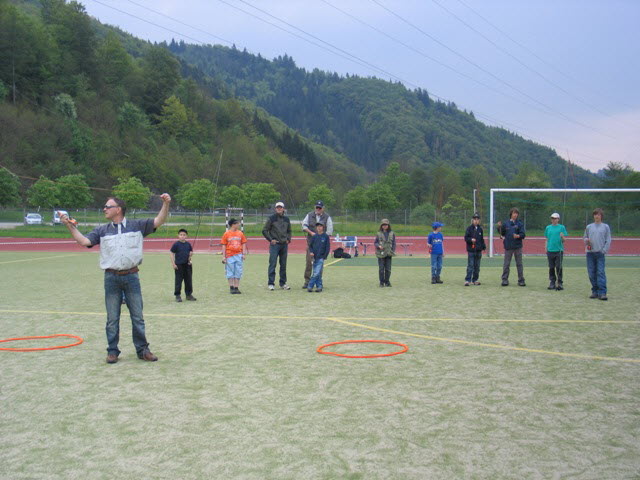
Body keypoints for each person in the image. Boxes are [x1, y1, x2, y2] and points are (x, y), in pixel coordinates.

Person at [60, 194, 171, 364]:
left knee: (138, 317)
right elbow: (84, 241)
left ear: (118, 209)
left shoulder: (137, 225)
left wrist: (166, 203)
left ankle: (143, 350)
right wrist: (69, 226)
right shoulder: (102, 230)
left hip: (132, 276)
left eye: (107, 206)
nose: (104, 209)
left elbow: (159, 221)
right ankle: (112, 351)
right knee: (112, 318)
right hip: (111, 278)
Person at [302, 200, 333, 288]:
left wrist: (322, 238)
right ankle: (307, 281)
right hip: (311, 244)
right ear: (314, 207)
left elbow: (329, 231)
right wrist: (311, 233)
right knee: (309, 263)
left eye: (320, 208)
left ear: (323, 208)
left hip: (321, 246)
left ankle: (318, 282)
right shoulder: (309, 215)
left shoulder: (327, 217)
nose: (318, 209)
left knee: (319, 264)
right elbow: (304, 226)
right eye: (317, 207)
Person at [262, 201, 292, 291]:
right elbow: (264, 230)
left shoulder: (287, 219)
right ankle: (271, 283)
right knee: (273, 264)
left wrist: (288, 239)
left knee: (283, 265)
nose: (279, 209)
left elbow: (289, 231)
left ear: (283, 209)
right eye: (277, 207)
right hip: (275, 245)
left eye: (281, 207)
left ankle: (283, 283)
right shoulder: (271, 218)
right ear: (275, 209)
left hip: (284, 245)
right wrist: (271, 240)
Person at [583, 208, 611, 301]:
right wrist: (587, 241)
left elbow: (608, 240)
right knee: (591, 273)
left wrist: (604, 250)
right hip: (590, 254)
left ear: (601, 216)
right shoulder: (589, 227)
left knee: (600, 272)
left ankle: (602, 292)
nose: (596, 216)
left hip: (600, 253)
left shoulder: (605, 227)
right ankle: (594, 291)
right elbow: (585, 238)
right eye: (595, 214)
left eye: (598, 214)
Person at [497, 207, 526, 287]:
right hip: (508, 246)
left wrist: (518, 236)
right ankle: (505, 280)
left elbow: (523, 234)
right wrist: (499, 227)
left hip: (518, 247)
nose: (515, 215)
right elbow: (502, 233)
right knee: (506, 264)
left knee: (519, 264)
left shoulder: (520, 223)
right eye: (514, 213)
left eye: (516, 213)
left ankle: (521, 280)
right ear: (511, 214)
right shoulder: (506, 223)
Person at [221, 218, 248, 294]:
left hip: (238, 255)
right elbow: (224, 245)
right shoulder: (226, 234)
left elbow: (243, 243)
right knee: (230, 271)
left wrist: (243, 254)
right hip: (229, 255)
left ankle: (236, 287)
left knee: (238, 271)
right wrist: (223, 256)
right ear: (233, 225)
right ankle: (231, 287)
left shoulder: (240, 233)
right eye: (237, 223)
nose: (239, 224)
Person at [544, 213, 568, 291]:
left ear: (558, 219)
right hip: (550, 250)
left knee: (558, 267)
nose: (554, 220)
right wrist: (546, 248)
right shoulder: (548, 228)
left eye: (555, 218)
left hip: (559, 250)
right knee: (551, 267)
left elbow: (564, 240)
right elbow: (547, 239)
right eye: (552, 218)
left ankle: (560, 282)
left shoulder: (562, 227)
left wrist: (562, 236)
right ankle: (552, 282)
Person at [170, 228, 196, 302]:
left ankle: (188, 295)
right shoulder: (176, 244)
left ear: (186, 236)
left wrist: (191, 256)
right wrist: (173, 264)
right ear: (178, 236)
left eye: (184, 235)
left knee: (188, 280)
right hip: (179, 265)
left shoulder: (188, 244)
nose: (182, 236)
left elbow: (190, 255)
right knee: (178, 281)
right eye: (181, 235)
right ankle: (177, 295)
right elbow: (171, 253)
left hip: (187, 265)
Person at [307, 222, 331, 292]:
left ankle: (310, 285)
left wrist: (324, 256)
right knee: (318, 273)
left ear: (323, 227)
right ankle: (319, 286)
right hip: (314, 257)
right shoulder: (314, 236)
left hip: (321, 258)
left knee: (316, 273)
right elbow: (310, 246)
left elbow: (327, 247)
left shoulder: (325, 236)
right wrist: (311, 252)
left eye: (320, 226)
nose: (319, 228)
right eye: (317, 226)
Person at [464, 213, 486, 286]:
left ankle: (475, 280)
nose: (476, 221)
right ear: (472, 220)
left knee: (477, 266)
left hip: (478, 250)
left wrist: (483, 246)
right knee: (470, 266)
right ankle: (468, 280)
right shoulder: (469, 228)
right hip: (471, 250)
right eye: (475, 219)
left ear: (479, 220)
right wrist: (471, 239)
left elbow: (481, 239)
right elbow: (466, 238)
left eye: (477, 219)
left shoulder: (480, 229)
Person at [375, 218, 396, 287]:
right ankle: (381, 282)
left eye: (386, 225)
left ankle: (387, 282)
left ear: (388, 225)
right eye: (383, 225)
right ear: (381, 226)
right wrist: (378, 246)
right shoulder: (378, 233)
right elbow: (375, 243)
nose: (385, 226)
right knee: (381, 269)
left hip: (389, 253)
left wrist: (393, 250)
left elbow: (394, 243)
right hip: (380, 253)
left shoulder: (392, 233)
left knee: (388, 269)